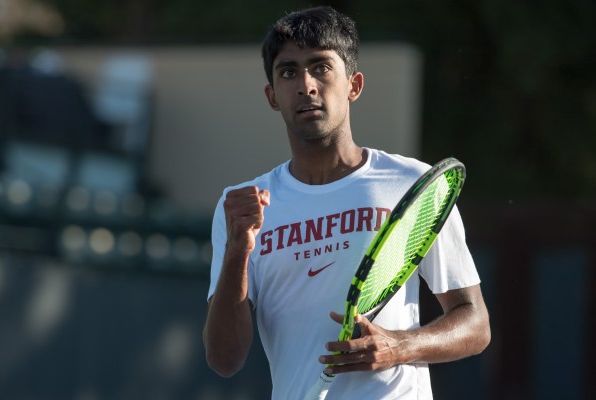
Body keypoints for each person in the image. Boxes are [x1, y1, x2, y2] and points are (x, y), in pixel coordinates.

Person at [203, 6, 490, 399]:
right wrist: (237, 250)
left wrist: (398, 347)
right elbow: (224, 359)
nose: (306, 84)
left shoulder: (414, 184)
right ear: (272, 97)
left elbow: (475, 323)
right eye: (288, 72)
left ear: (353, 85)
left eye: (321, 67)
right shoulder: (240, 208)